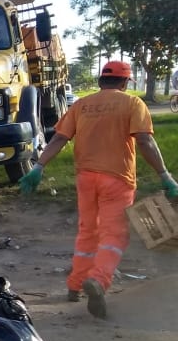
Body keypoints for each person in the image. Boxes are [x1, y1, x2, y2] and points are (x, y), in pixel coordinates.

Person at [20, 60, 178, 319]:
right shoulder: (133, 104)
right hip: (117, 179)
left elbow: (59, 138)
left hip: (85, 178)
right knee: (115, 235)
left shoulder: (82, 104)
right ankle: (98, 279)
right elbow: (145, 141)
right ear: (125, 82)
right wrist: (165, 175)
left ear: (100, 81)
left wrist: (38, 167)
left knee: (87, 231)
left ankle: (74, 284)